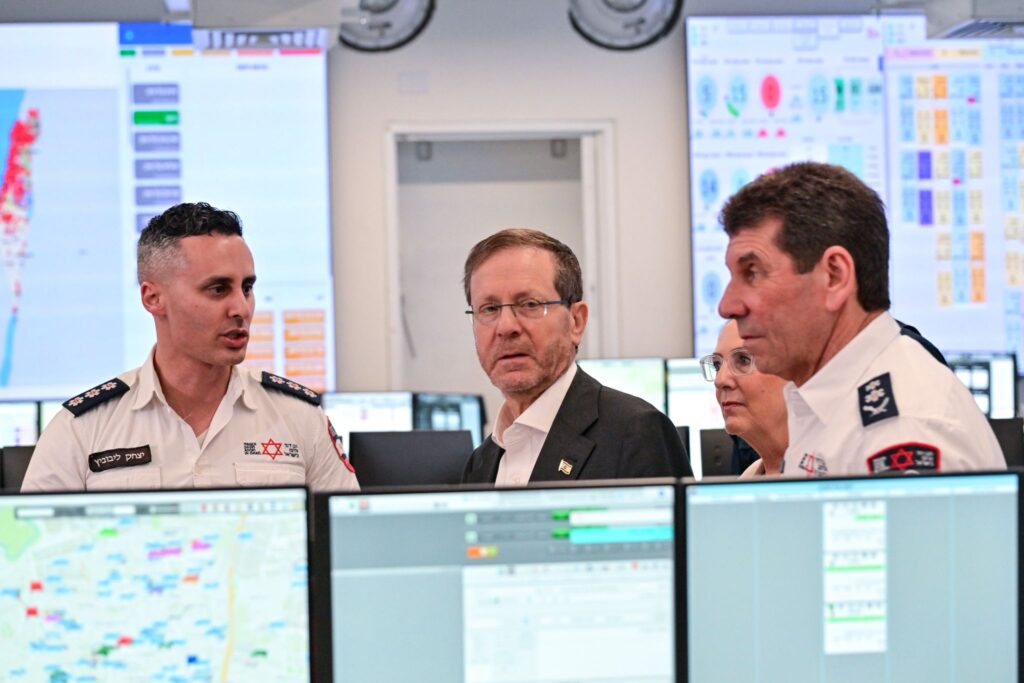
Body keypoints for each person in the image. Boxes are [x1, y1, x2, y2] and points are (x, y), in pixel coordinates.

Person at [22, 202, 359, 492]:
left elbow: (347, 537)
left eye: (247, 288)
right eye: (218, 289)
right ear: (153, 298)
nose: (241, 308)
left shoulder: (299, 417)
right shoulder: (82, 429)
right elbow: (31, 544)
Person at [717, 161, 1004, 476]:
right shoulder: (829, 403)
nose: (727, 305)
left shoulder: (903, 428)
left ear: (834, 276)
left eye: (753, 273)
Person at [460, 228, 689, 485]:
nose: (505, 327)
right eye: (489, 308)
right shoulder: (479, 465)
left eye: (530, 304)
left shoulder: (636, 433)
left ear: (576, 321)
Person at [701, 320, 787, 478]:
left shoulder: (833, 471)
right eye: (717, 366)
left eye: (743, 360)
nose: (720, 380)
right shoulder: (749, 476)